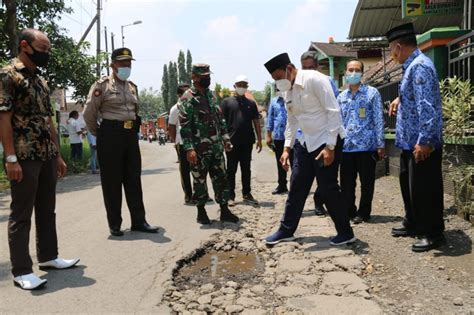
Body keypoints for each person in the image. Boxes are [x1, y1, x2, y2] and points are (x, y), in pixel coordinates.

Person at [0, 28, 79, 290]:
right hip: (23, 155)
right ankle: (22, 270)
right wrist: (10, 157)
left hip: (45, 153)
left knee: (47, 207)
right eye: (42, 50)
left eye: (48, 51)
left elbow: (49, 120)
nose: (46, 55)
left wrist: (56, 154)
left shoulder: (41, 80)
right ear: (24, 45)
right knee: (21, 213)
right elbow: (4, 118)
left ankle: (48, 257)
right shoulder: (8, 75)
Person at [263, 53, 355, 246]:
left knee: (328, 187)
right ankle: (286, 230)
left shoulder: (315, 80)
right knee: (297, 186)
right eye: (275, 80)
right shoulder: (287, 91)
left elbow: (333, 111)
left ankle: (345, 232)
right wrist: (287, 148)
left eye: (279, 77)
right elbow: (292, 120)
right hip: (305, 142)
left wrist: (330, 146)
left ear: (289, 68)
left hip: (327, 140)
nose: (278, 82)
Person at [83, 47, 159, 237]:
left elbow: (135, 110)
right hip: (110, 134)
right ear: (113, 65)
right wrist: (100, 134)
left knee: (133, 178)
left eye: (129, 62)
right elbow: (89, 113)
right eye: (122, 62)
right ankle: (115, 224)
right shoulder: (101, 86)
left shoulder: (132, 86)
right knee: (112, 181)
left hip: (129, 135)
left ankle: (139, 221)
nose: (126, 66)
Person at [386, 23, 444, 252]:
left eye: (391, 49)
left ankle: (433, 233)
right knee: (410, 186)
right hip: (409, 141)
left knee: (426, 189)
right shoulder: (411, 67)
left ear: (398, 47)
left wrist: (425, 141)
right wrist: (399, 100)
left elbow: (428, 106)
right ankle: (414, 222)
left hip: (421, 143)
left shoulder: (420, 67)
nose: (391, 55)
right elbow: (416, 96)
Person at [179, 64, 239, 224]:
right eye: (204, 76)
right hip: (198, 150)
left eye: (208, 75)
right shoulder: (187, 99)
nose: (208, 78)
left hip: (216, 148)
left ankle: (225, 210)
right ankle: (201, 212)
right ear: (194, 77)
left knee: (221, 178)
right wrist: (189, 149)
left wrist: (226, 139)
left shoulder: (210, 96)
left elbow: (220, 119)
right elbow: (185, 127)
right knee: (199, 180)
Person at [338, 59, 385, 224]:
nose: (353, 73)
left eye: (357, 70)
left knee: (367, 183)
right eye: (350, 70)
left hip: (367, 147)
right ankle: (349, 211)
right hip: (346, 148)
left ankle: (364, 212)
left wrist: (381, 144)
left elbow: (379, 119)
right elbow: (337, 121)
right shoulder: (341, 97)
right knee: (347, 184)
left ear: (362, 73)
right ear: (345, 72)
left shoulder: (372, 93)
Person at [220, 75, 262, 206]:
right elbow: (221, 122)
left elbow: (256, 121)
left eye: (244, 85)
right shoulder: (227, 102)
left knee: (246, 169)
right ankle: (230, 195)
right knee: (231, 169)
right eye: (240, 84)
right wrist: (223, 140)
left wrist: (259, 139)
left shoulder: (251, 104)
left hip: (247, 141)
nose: (242, 87)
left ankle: (247, 193)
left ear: (247, 87)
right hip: (231, 142)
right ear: (234, 86)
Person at [168, 83, 194, 204]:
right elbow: (171, 127)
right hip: (182, 142)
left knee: (198, 168)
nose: (188, 93)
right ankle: (188, 195)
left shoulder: (193, 105)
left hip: (195, 142)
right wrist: (176, 142)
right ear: (179, 95)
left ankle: (201, 193)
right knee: (185, 170)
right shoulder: (175, 108)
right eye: (184, 92)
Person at [266, 89, 292, 194]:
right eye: (278, 89)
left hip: (293, 136)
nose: (280, 90)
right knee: (281, 161)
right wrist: (268, 135)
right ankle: (282, 185)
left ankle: (296, 186)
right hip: (279, 136)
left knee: (296, 162)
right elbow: (270, 119)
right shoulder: (274, 102)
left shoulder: (292, 99)